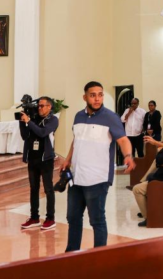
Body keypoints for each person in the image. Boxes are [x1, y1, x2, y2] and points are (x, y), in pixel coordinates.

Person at [61, 81, 135, 251]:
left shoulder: (111, 117)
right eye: (93, 95)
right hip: (76, 177)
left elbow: (123, 140)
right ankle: (71, 253)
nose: (97, 99)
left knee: (97, 220)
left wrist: (128, 156)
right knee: (73, 218)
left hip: (97, 178)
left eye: (100, 95)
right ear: (85, 97)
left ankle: (99, 256)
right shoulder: (78, 116)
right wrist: (68, 159)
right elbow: (76, 140)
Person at [19, 96, 59, 232]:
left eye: (42, 106)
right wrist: (22, 122)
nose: (39, 108)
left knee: (48, 189)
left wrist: (29, 121)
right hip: (32, 158)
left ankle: (50, 219)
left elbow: (42, 133)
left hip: (46, 159)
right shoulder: (34, 118)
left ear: (49, 107)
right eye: (38, 106)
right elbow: (25, 136)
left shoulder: (53, 120)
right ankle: (34, 218)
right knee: (33, 188)